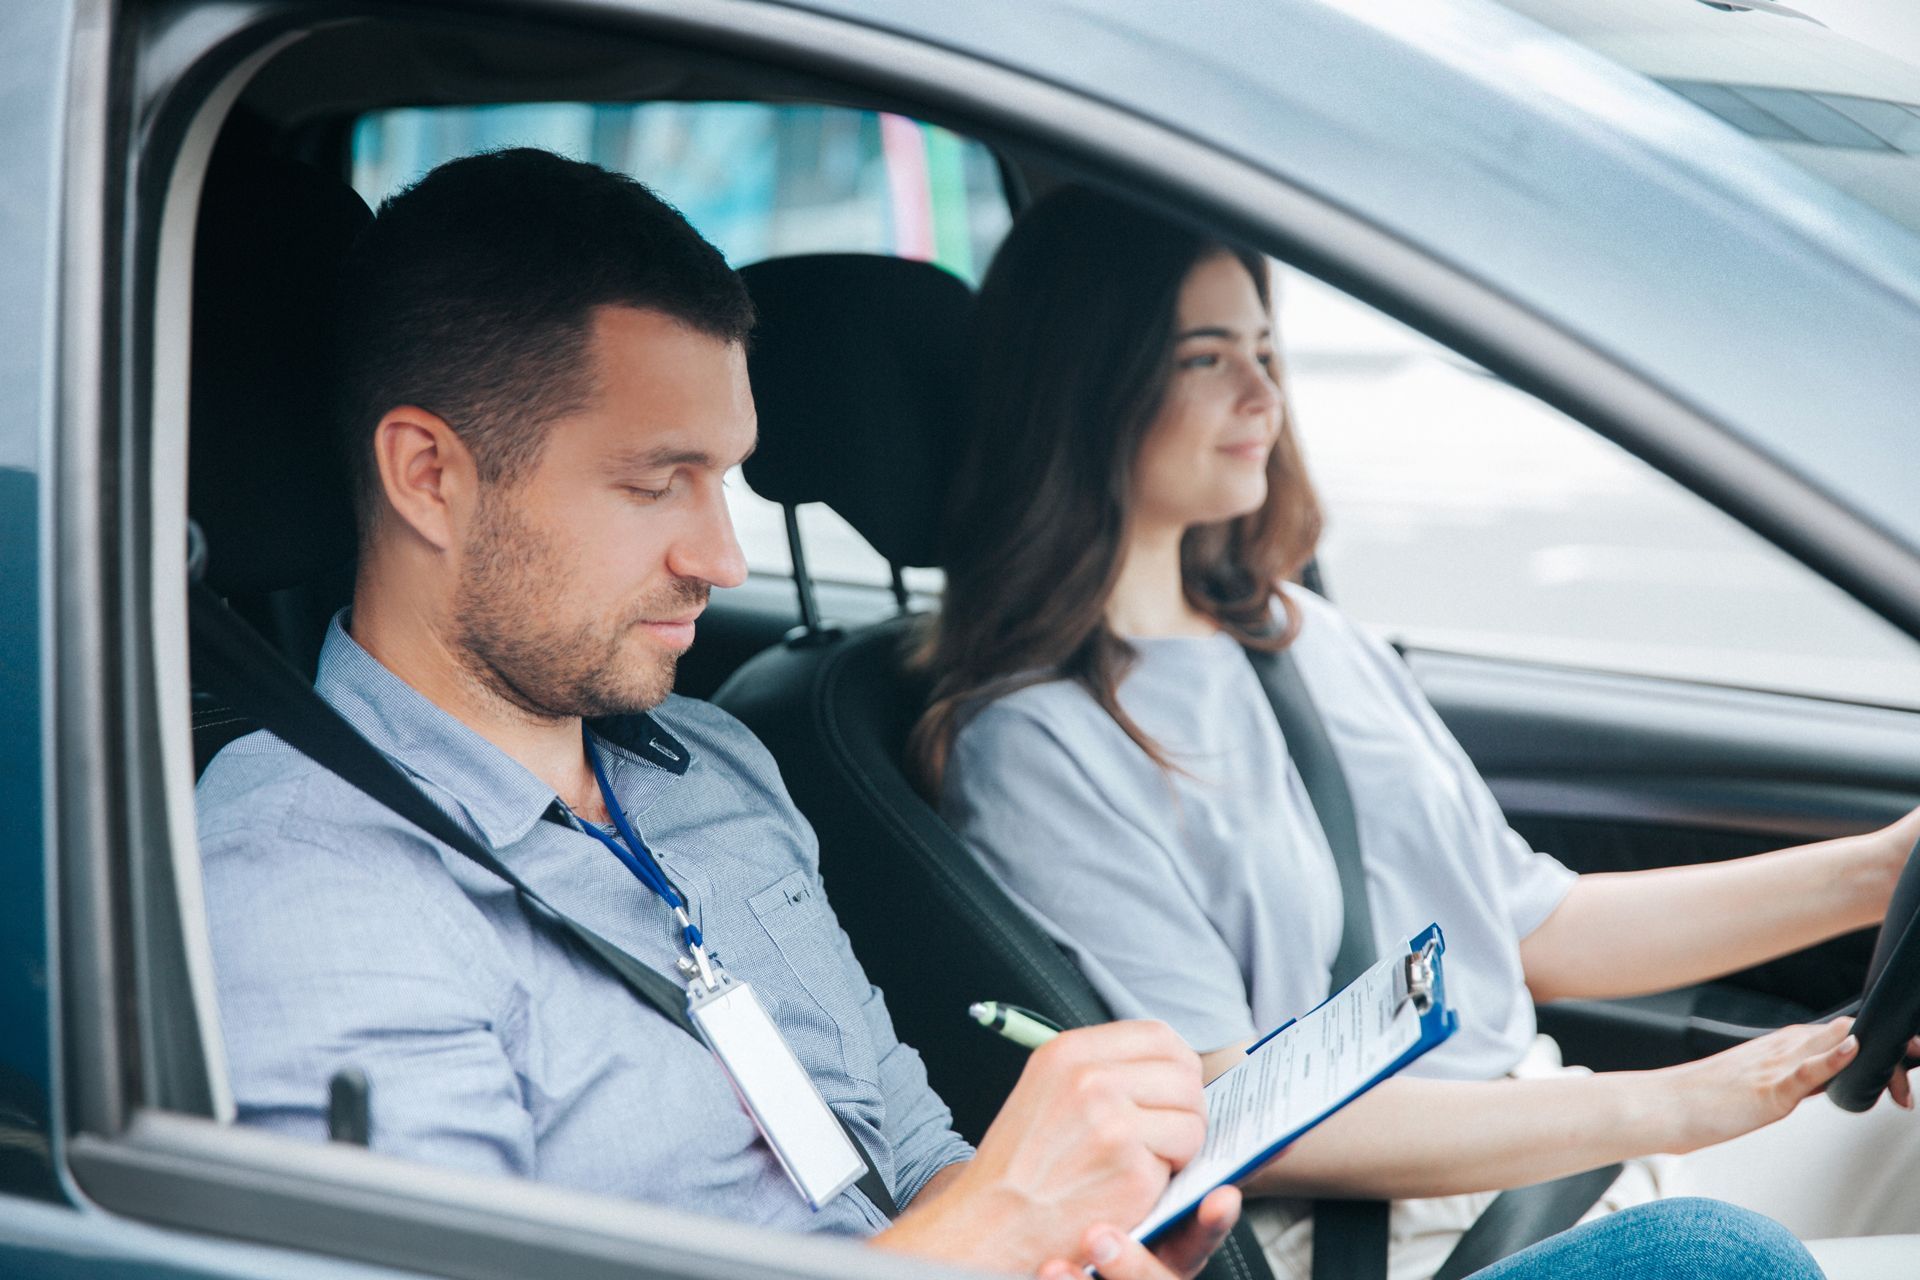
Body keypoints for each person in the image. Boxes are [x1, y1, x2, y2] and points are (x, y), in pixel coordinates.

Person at [194, 149, 1826, 1280]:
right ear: (428, 473)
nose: (723, 550)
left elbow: (908, 1159)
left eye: (731, 474)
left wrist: (1082, 1225)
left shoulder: (712, 771)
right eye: (656, 481)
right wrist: (984, 1231)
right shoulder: (319, 893)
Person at [918, 185, 1920, 1280]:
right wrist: (1668, 1103)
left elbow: (1534, 924)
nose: (1262, 390)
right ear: (1085, 385)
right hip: (1407, 1239)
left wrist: (1881, 868)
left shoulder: (1299, 633)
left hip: (1558, 1155)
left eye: (1263, 347)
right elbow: (1234, 1110)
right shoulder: (1033, 743)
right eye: (1206, 357)